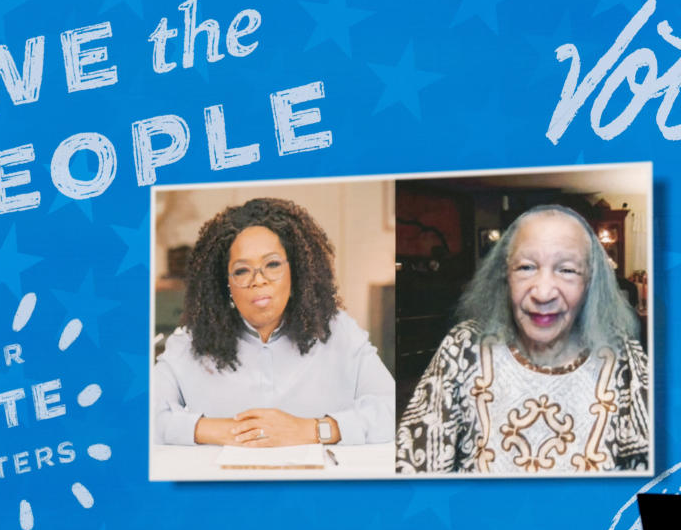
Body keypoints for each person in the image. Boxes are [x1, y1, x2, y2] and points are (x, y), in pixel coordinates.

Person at [396, 205, 649, 474]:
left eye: (567, 270)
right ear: (506, 275)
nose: (542, 293)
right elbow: (415, 478)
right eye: (526, 267)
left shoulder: (622, 355)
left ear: (589, 281)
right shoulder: (464, 347)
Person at [153, 198, 394, 447]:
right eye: (242, 270)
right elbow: (140, 415)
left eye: (272, 265)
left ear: (296, 271)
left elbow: (393, 409)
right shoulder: (190, 342)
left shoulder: (338, 331)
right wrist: (221, 431)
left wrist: (311, 430)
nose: (259, 280)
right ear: (225, 283)